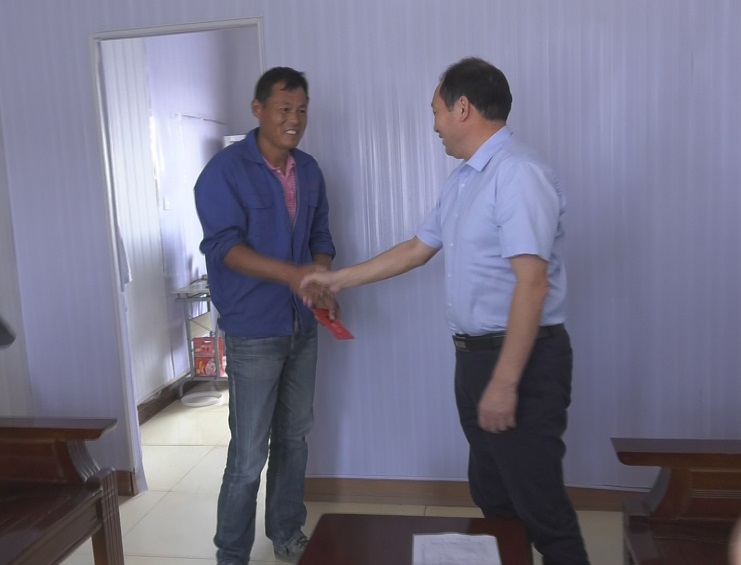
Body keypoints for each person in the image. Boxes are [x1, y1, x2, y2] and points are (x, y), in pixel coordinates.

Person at [301, 57, 590, 564]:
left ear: (463, 108)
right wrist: (336, 278)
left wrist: (505, 382)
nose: (434, 124)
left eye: (435, 110)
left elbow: (532, 283)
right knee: (494, 496)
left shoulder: (518, 173)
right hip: (475, 358)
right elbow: (418, 249)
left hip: (520, 362)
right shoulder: (464, 180)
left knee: (541, 507)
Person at [194, 66, 337, 564]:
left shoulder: (310, 170)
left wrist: (320, 279)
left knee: (294, 438)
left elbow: (321, 238)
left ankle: (287, 533)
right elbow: (224, 248)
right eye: (283, 109)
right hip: (253, 330)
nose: (294, 119)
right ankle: (231, 553)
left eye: (301, 110)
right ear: (257, 110)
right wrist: (293, 275)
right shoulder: (224, 171)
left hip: (302, 325)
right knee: (249, 453)